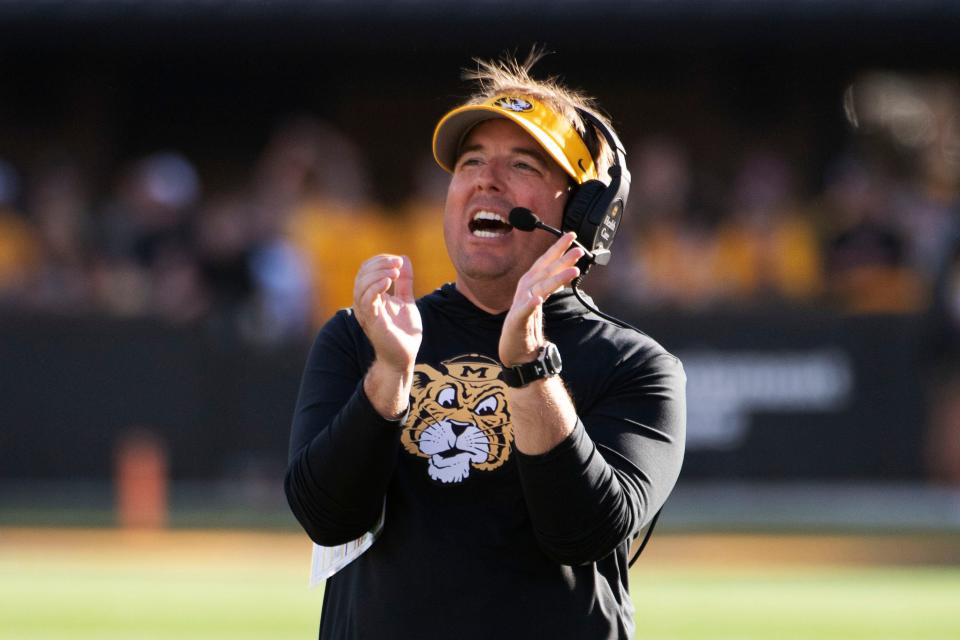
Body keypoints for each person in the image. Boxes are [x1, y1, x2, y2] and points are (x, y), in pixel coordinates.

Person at [285, 52, 686, 639]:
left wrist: (528, 365)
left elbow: (582, 533)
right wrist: (390, 376)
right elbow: (325, 516)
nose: (484, 179)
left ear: (582, 212)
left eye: (522, 164)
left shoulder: (637, 365)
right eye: (470, 162)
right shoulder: (362, 337)